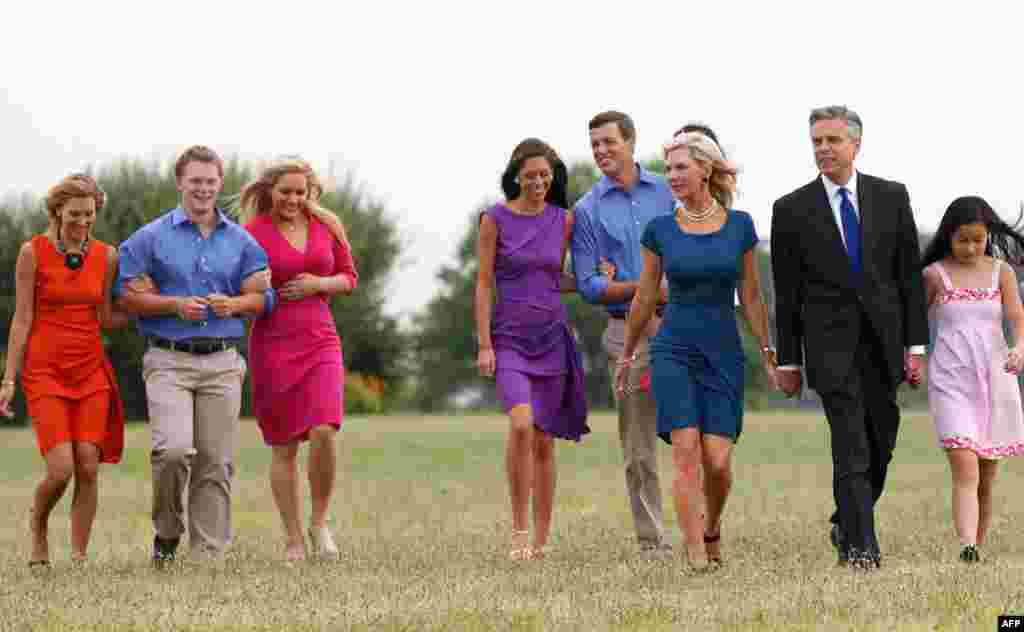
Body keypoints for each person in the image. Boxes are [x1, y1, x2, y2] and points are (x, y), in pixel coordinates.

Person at [770, 106, 929, 571]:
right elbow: (788, 294)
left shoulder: (891, 196)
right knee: (851, 445)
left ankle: (847, 518)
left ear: (856, 144)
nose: (823, 149)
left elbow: (908, 280)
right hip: (828, 347)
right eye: (817, 141)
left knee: (883, 439)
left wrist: (915, 347)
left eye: (833, 140)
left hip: (884, 342)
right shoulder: (791, 209)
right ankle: (862, 548)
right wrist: (789, 360)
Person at [614, 131, 775, 570]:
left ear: (706, 168)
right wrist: (629, 352)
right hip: (673, 348)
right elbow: (645, 298)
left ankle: (712, 526)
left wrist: (766, 348)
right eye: (668, 169)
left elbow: (753, 295)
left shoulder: (740, 226)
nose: (673, 176)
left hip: (723, 349)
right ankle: (696, 556)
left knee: (717, 461)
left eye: (681, 167)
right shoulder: (660, 230)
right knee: (684, 449)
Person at [115, 145, 273, 565]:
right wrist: (173, 305)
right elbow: (128, 297)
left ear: (220, 184)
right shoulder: (148, 238)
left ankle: (208, 555)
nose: (203, 189)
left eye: (210, 181)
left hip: (222, 362)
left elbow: (262, 296)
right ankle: (167, 533)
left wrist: (234, 305)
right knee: (172, 451)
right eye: (195, 181)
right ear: (180, 183)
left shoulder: (242, 241)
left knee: (214, 463)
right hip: (168, 360)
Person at [0, 174, 132, 567]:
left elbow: (105, 315)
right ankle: (38, 526)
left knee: (88, 464)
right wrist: (9, 379)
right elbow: (22, 320)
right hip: (45, 372)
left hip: (90, 369)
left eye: (89, 215)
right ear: (57, 211)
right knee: (60, 470)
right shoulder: (33, 252)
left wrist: (151, 309)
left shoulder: (106, 256)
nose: (82, 222)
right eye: (75, 214)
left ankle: (78, 556)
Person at [238, 157, 358, 562]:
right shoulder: (250, 234)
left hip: (320, 338)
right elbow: (241, 288)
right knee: (284, 445)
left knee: (325, 429)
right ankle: (292, 539)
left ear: (310, 193)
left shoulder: (327, 226)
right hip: (272, 342)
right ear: (270, 191)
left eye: (300, 192)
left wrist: (317, 284)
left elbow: (348, 278)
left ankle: (319, 522)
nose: (293, 199)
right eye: (285, 191)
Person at [476, 138, 589, 560]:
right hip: (508, 338)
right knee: (521, 424)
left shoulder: (563, 220)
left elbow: (554, 277)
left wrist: (594, 279)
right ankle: (519, 531)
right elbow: (484, 283)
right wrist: (484, 342)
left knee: (544, 440)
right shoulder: (495, 218)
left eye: (546, 175)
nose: (539, 182)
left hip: (552, 336)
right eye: (531, 175)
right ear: (516, 177)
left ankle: (541, 539)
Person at [571, 111, 676, 559]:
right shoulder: (587, 210)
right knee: (639, 448)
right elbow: (591, 285)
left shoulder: (669, 192)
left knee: (703, 435)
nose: (600, 151)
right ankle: (652, 542)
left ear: (631, 141)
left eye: (608, 142)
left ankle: (705, 531)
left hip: (683, 326)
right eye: (594, 144)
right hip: (625, 336)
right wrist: (646, 287)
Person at [921, 196, 1024, 563]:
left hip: (996, 378)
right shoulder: (934, 275)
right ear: (949, 236)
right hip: (951, 379)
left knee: (987, 473)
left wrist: (1020, 348)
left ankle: (977, 546)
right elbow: (916, 325)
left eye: (977, 239)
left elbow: (1017, 319)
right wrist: (913, 358)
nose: (969, 247)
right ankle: (966, 544)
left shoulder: (1002, 273)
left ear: (988, 236)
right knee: (964, 463)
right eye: (962, 239)